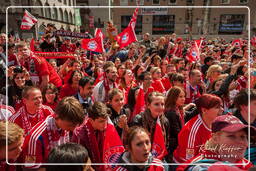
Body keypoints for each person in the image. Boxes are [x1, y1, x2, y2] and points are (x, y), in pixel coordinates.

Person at [22, 96, 85, 169]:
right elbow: (32, 169)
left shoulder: (64, 127)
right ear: (57, 116)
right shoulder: (36, 138)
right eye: (70, 125)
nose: (73, 129)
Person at [177, 115, 254, 170]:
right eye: (232, 136)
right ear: (215, 138)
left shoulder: (247, 165)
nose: (241, 142)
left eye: (243, 137)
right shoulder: (194, 166)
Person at [173, 94, 223, 163]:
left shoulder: (217, 123)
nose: (222, 110)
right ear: (204, 110)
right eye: (217, 107)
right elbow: (188, 162)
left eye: (221, 107)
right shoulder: (191, 130)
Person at [72, 102, 110, 171]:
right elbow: (80, 161)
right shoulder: (80, 134)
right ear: (91, 120)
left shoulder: (102, 128)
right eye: (101, 121)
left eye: (105, 120)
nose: (105, 124)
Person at [131, 92, 170, 156]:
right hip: (141, 156)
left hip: (159, 156)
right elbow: (134, 144)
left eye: (162, 104)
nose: (160, 107)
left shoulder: (165, 121)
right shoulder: (138, 120)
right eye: (156, 104)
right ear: (148, 105)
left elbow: (167, 143)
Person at [165, 86, 186, 159]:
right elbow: (177, 133)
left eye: (184, 96)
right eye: (180, 97)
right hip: (172, 148)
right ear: (173, 97)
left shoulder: (178, 110)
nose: (183, 99)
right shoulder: (171, 113)